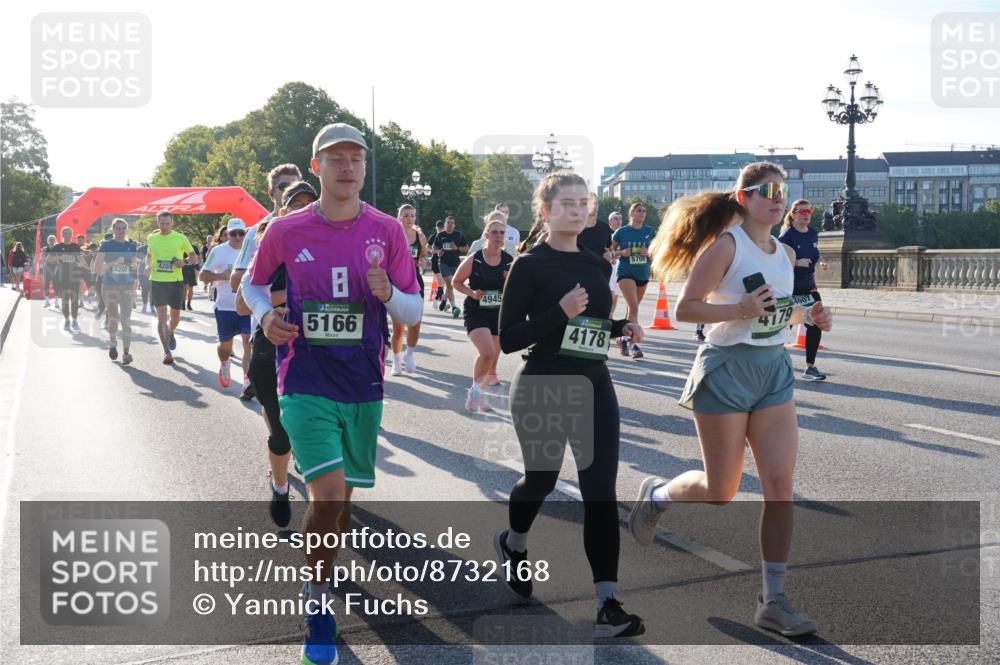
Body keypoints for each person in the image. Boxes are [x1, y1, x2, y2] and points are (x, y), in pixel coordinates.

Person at [242, 123, 422, 665]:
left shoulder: (387, 231)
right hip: (304, 379)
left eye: (356, 159)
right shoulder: (286, 229)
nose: (348, 167)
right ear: (316, 166)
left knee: (342, 501)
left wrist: (389, 293)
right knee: (327, 495)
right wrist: (266, 314)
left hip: (363, 381)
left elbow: (414, 310)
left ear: (364, 168)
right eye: (336, 158)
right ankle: (318, 602)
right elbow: (252, 283)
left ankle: (321, 568)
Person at [629, 162, 833, 637]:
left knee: (779, 485)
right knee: (721, 491)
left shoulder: (782, 252)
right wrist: (737, 309)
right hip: (725, 370)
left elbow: (780, 312)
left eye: (784, 190)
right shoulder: (726, 246)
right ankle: (657, 495)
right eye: (769, 191)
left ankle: (773, 600)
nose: (779, 198)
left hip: (773, 372)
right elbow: (686, 309)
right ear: (744, 197)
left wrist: (811, 316)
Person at [495, 171, 646, 638]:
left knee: (600, 491)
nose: (577, 210)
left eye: (584, 203)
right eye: (566, 203)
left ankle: (607, 603)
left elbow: (593, 328)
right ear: (545, 210)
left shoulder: (597, 266)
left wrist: (622, 330)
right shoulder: (528, 265)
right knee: (540, 479)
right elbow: (509, 339)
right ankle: (514, 543)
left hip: (594, 383)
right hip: (542, 380)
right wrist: (559, 311)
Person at [237, 179, 318, 526]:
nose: (303, 210)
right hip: (272, 350)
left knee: (321, 427)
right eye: (295, 204)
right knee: (281, 433)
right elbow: (242, 304)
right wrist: (288, 298)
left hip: (317, 350)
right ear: (283, 210)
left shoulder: (333, 243)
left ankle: (324, 506)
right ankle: (281, 485)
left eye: (309, 204)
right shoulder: (270, 241)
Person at [230, 163, 304, 402]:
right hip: (269, 332)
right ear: (272, 192)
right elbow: (237, 288)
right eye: (283, 186)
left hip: (309, 332)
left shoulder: (319, 227)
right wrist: (293, 290)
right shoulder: (256, 232)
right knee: (276, 417)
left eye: (294, 185)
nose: (288, 191)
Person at [453, 216, 512, 409]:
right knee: (486, 351)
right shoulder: (475, 258)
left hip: (498, 313)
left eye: (501, 232)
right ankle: (476, 392)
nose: (498, 236)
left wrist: (509, 280)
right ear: (486, 235)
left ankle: (477, 392)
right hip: (476, 311)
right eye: (494, 232)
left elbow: (518, 289)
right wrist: (472, 293)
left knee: (493, 355)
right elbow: (456, 281)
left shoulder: (509, 261)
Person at [779, 199, 829, 381]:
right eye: (802, 212)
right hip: (790, 290)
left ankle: (810, 367)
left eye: (809, 211)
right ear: (793, 215)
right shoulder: (786, 237)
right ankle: (773, 364)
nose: (807, 214)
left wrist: (821, 260)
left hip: (809, 287)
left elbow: (815, 250)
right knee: (782, 328)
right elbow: (777, 261)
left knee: (815, 323)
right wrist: (796, 262)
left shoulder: (813, 234)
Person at [200, 218, 252, 389]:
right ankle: (224, 364)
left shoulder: (253, 249)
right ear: (226, 234)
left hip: (247, 305)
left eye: (241, 233)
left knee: (248, 342)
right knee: (225, 347)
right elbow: (203, 275)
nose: (237, 237)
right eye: (233, 234)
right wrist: (222, 276)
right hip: (225, 306)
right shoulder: (219, 251)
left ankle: (247, 382)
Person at [146, 210, 198, 365]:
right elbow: (149, 257)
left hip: (176, 282)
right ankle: (166, 351)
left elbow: (193, 257)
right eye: (162, 223)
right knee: (161, 317)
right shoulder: (152, 238)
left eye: (167, 223)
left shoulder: (180, 238)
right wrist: (147, 266)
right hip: (157, 281)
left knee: (175, 317)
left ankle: (172, 331)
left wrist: (185, 262)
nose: (165, 226)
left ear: (172, 223)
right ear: (157, 222)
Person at [612, 202, 655, 359]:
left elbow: (659, 250)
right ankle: (634, 345)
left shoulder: (650, 231)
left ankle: (623, 337)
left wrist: (649, 251)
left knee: (632, 309)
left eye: (644, 211)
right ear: (631, 213)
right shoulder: (622, 232)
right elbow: (610, 251)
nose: (642, 213)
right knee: (634, 308)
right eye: (638, 210)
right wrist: (621, 252)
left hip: (643, 273)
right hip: (625, 273)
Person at [389, 204, 428, 376]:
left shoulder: (420, 237)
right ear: (399, 218)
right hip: (398, 282)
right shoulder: (394, 235)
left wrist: (424, 261)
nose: (409, 219)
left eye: (412, 215)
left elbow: (424, 255)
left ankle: (409, 355)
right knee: (398, 327)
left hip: (415, 282)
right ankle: (396, 360)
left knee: (416, 323)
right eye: (406, 215)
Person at [94, 219, 138, 365]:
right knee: (114, 318)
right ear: (113, 230)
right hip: (109, 286)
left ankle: (126, 353)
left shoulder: (131, 246)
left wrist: (132, 267)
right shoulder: (106, 245)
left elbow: (134, 267)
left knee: (126, 321)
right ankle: (113, 343)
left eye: (123, 228)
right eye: (118, 228)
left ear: (126, 229)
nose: (121, 231)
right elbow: (97, 268)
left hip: (126, 286)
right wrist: (113, 263)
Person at [49, 227, 86, 331]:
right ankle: (66, 320)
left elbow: (81, 260)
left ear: (72, 234)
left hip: (74, 275)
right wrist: (59, 258)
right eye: (66, 233)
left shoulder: (75, 247)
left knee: (74, 299)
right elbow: (49, 259)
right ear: (62, 235)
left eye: (70, 233)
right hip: (62, 275)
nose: (68, 235)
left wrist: (81, 264)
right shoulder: (57, 246)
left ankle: (74, 320)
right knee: (65, 299)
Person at [432, 215, 468, 316]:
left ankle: (444, 298)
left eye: (452, 223)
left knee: (450, 285)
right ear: (445, 224)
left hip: (456, 263)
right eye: (448, 223)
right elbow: (433, 248)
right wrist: (438, 251)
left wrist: (456, 248)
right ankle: (454, 307)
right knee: (449, 283)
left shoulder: (458, 235)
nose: (450, 225)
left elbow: (466, 249)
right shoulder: (440, 235)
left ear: (454, 225)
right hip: (443, 263)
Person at [606, 211, 623, 317]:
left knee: (616, 295)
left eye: (620, 219)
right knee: (611, 294)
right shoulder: (606, 234)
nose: (618, 221)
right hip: (609, 268)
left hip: (620, 269)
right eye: (616, 219)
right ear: (610, 221)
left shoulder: (623, 234)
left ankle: (611, 317)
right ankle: (608, 317)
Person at [42, 235, 57, 307]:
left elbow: (58, 258)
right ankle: (47, 301)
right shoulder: (45, 248)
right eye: (50, 239)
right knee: (46, 283)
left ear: (55, 240)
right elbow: (43, 258)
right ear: (48, 240)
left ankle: (56, 302)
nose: (51, 240)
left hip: (55, 267)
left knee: (56, 283)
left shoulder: (57, 248)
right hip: (47, 267)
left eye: (53, 239)